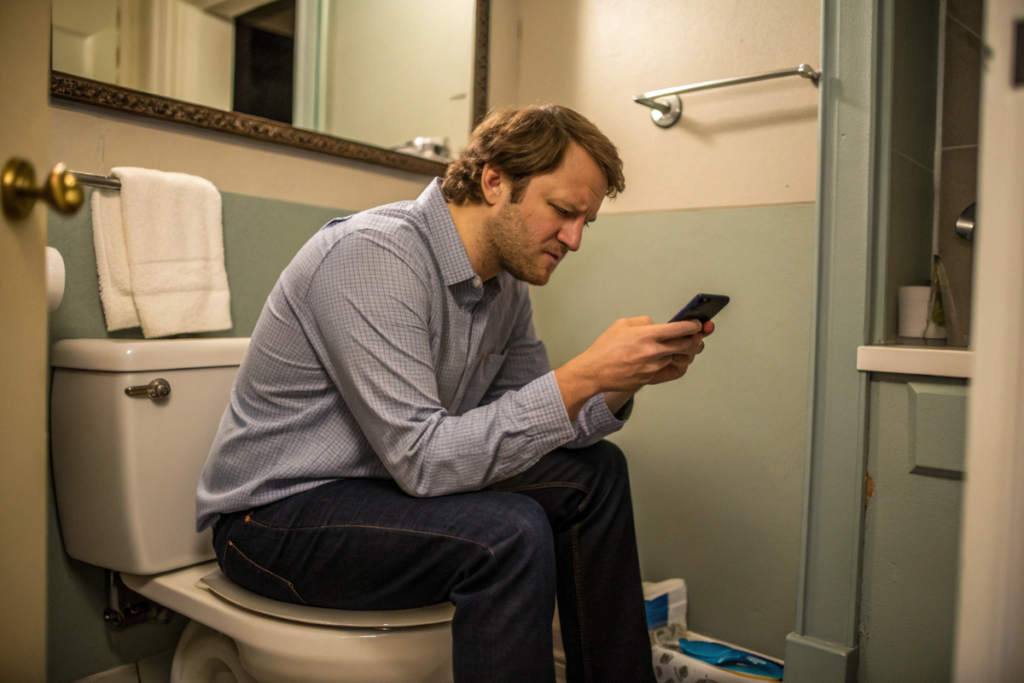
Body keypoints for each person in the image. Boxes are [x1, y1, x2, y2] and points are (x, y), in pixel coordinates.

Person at [196, 104, 712, 683]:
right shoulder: (373, 255)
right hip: (273, 519)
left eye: (584, 222)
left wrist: (619, 380)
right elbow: (424, 460)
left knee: (596, 473)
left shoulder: (505, 287)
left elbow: (536, 421)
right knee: (508, 533)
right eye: (563, 212)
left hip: (385, 487)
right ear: (494, 181)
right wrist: (586, 374)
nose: (573, 239)